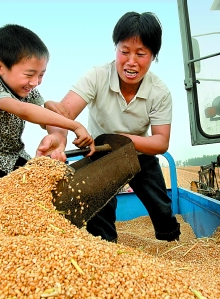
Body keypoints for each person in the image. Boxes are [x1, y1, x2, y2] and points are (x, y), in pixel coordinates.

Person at [37, 12, 181, 243]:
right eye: (124, 52)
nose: (131, 61)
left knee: (160, 204)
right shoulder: (97, 76)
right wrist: (58, 138)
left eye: (141, 54)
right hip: (100, 152)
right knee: (99, 206)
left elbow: (161, 141)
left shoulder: (159, 92)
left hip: (138, 154)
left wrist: (121, 139)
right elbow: (64, 113)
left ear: (153, 56)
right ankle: (107, 251)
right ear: (116, 49)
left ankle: (170, 241)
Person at [0, 24, 94, 201]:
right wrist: (74, 125)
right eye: (29, 75)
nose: (35, 82)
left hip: (14, 156)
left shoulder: (27, 91)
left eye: (41, 75)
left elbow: (45, 118)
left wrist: (57, 138)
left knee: (37, 186)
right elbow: (25, 111)